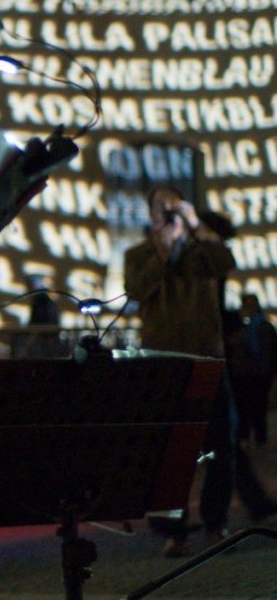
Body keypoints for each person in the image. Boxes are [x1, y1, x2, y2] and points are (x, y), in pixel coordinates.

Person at [124, 185, 277, 556]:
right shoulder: (139, 254)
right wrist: (162, 254)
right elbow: (135, 289)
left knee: (222, 445)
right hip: (162, 364)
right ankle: (174, 531)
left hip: (208, 361)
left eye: (174, 205)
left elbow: (225, 260)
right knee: (169, 451)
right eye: (162, 208)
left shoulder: (203, 252)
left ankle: (214, 523)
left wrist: (195, 226)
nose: (169, 213)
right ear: (151, 215)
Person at [232, 294, 277, 446]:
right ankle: (248, 436)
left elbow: (271, 351)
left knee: (259, 406)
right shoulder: (242, 327)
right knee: (244, 407)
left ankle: (259, 437)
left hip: (260, 374)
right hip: (244, 374)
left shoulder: (265, 327)